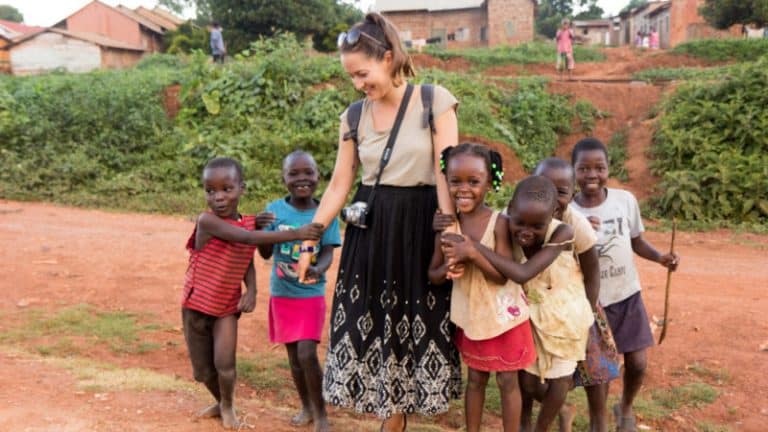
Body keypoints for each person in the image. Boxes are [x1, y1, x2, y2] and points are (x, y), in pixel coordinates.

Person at [295, 12, 461, 432]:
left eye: (362, 74)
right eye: (351, 77)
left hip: (420, 227)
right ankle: (391, 416)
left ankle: (399, 414)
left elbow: (446, 172)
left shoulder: (434, 101)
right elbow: (339, 185)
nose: (358, 85)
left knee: (416, 318)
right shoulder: (353, 117)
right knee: (370, 317)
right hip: (371, 232)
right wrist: (310, 240)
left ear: (388, 58)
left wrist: (450, 231)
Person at [429, 144, 567, 432]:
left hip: (505, 319)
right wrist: (448, 269)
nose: (463, 189)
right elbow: (433, 274)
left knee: (507, 381)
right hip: (473, 318)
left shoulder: (499, 223)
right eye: (455, 181)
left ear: (489, 183)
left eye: (473, 181)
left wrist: (472, 253)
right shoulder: (447, 224)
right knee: (475, 379)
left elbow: (502, 277)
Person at [181, 157, 323, 430]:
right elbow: (247, 239)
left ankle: (228, 406)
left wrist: (252, 290)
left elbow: (245, 254)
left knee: (225, 363)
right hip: (196, 305)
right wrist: (297, 233)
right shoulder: (207, 221)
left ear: (241, 188)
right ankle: (219, 401)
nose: (218, 197)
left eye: (227, 189)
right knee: (203, 371)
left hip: (226, 306)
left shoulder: (248, 222)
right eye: (210, 191)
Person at [569, 138, 680, 432]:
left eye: (599, 167)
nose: (592, 174)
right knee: (601, 372)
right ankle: (599, 422)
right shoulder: (567, 211)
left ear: (609, 168)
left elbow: (636, 241)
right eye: (583, 168)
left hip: (627, 295)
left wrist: (660, 258)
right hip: (591, 303)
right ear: (573, 171)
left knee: (639, 362)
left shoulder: (625, 201)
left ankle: (626, 407)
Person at [256, 151, 341, 432]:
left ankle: (321, 414)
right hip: (282, 293)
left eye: (308, 172)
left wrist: (320, 268)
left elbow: (327, 251)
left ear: (318, 176)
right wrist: (260, 231)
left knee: (306, 354)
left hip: (310, 294)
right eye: (293, 174)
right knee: (294, 359)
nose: (302, 178)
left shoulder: (325, 211)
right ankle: (306, 407)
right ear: (284, 178)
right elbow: (265, 252)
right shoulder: (274, 211)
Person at [534, 158, 620, 432]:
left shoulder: (576, 224)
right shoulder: (524, 216)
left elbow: (592, 273)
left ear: (572, 194)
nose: (551, 198)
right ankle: (560, 410)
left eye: (561, 192)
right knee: (535, 376)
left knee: (594, 370)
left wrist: (586, 314)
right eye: (544, 188)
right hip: (539, 308)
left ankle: (599, 423)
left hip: (578, 308)